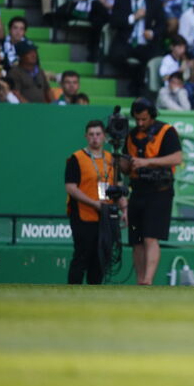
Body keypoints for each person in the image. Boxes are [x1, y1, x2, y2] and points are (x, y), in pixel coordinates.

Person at [119, 98, 183, 285]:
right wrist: (121, 161)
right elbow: (124, 168)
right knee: (136, 240)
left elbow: (177, 158)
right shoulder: (131, 135)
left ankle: (147, 280)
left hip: (159, 190)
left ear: (152, 116)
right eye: (137, 119)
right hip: (137, 189)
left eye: (144, 119)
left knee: (150, 237)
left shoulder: (166, 131)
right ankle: (140, 280)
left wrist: (147, 162)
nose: (140, 123)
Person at [65, 120, 125, 285]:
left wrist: (125, 209)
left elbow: (118, 186)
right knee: (82, 255)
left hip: (106, 216)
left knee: (101, 258)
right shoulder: (76, 158)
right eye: (91, 135)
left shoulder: (111, 159)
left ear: (104, 137)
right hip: (83, 215)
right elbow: (71, 188)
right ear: (86, 137)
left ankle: (94, 292)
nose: (95, 138)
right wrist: (94, 203)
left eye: (98, 134)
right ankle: (72, 293)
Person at [109, 0, 166, 95]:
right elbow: (114, 22)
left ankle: (137, 86)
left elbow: (162, 25)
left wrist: (152, 33)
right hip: (126, 42)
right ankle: (135, 79)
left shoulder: (154, 3)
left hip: (145, 43)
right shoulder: (121, 1)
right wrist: (133, 17)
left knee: (152, 57)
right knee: (115, 55)